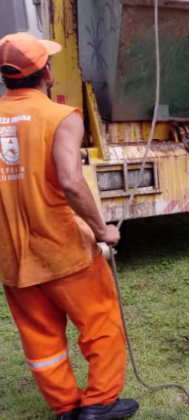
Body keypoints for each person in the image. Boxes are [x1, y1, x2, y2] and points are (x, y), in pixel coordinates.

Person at [0, 33, 138, 420]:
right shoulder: (62, 117)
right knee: (102, 323)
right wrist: (101, 230)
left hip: (12, 257)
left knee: (41, 339)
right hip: (63, 250)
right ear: (46, 72)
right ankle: (100, 404)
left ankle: (64, 407)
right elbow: (71, 181)